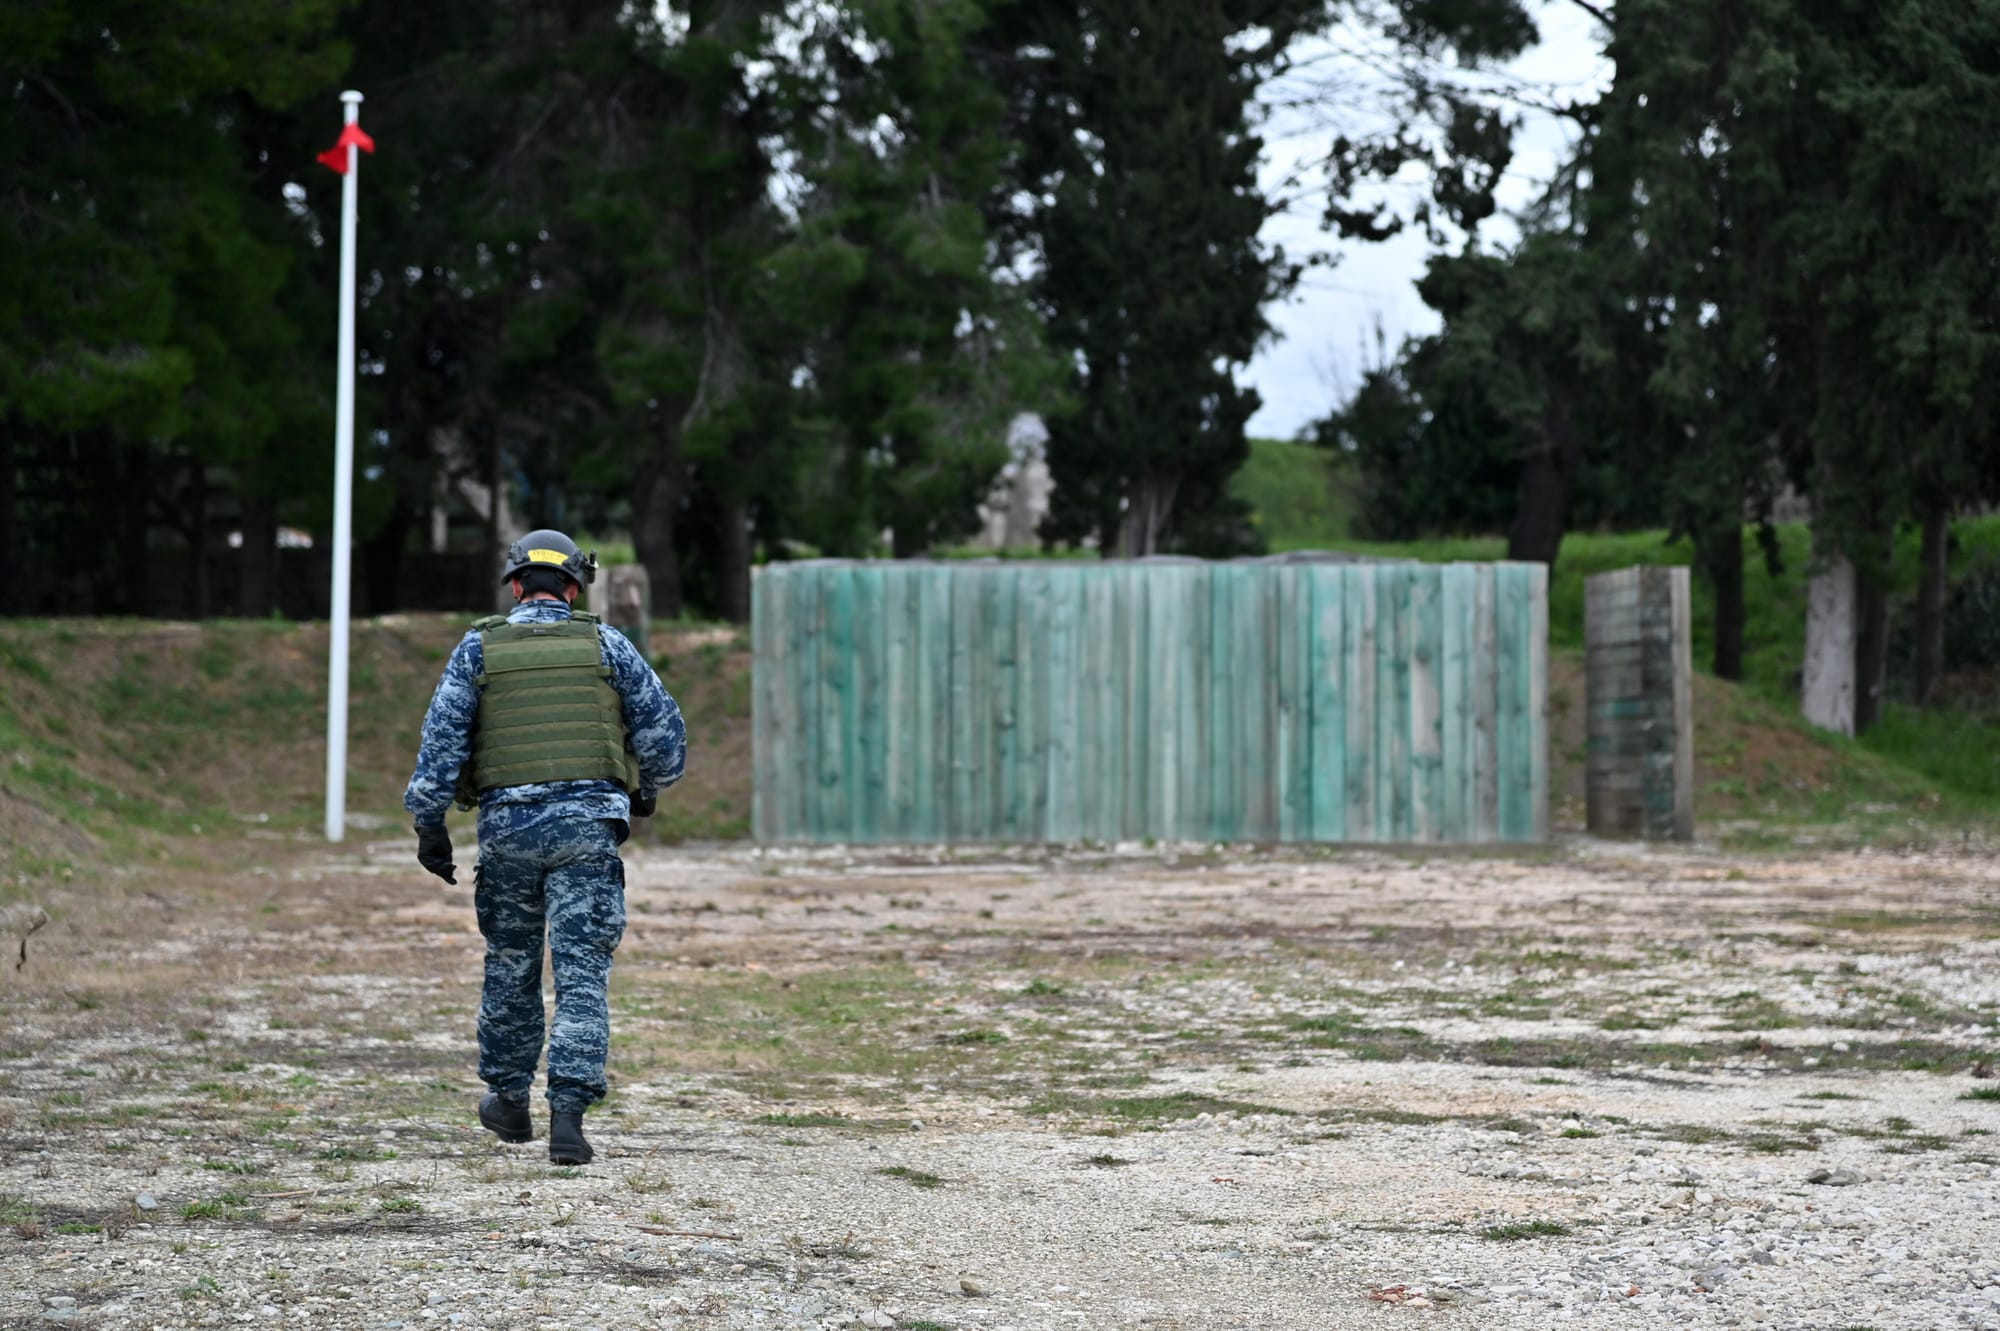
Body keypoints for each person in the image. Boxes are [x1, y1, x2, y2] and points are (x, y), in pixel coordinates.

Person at [404, 529, 686, 1165]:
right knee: (582, 973)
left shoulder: (478, 648)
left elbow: (442, 743)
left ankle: (509, 1102)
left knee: (512, 965)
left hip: (508, 835)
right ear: (574, 589)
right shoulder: (608, 644)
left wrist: (430, 823)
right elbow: (665, 738)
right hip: (587, 834)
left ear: (514, 585)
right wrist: (645, 789)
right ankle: (569, 1118)